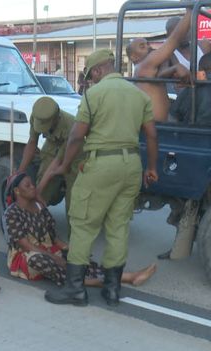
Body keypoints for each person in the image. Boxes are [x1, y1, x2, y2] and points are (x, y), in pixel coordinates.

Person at [44, 49, 159, 307]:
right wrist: (151, 167)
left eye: (91, 76)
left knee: (83, 223)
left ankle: (75, 290)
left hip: (101, 163)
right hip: (131, 164)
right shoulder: (139, 96)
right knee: (118, 227)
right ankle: (112, 290)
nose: (90, 81)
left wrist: (63, 164)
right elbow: (152, 135)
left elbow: (75, 136)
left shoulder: (93, 95)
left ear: (97, 71)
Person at [4, 173, 157, 287]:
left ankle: (128, 276)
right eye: (28, 186)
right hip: (26, 257)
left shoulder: (39, 206)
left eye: (32, 184)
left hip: (48, 249)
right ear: (17, 191)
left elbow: (53, 237)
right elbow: (25, 245)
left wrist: (70, 248)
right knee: (39, 259)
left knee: (77, 256)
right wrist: (55, 256)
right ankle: (91, 282)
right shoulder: (12, 213)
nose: (33, 187)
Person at [18, 96, 83, 222]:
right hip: (53, 144)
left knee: (74, 197)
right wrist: (19, 173)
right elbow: (32, 142)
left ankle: (74, 237)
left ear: (56, 119)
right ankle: (35, 224)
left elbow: (57, 162)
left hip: (75, 151)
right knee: (41, 190)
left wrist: (38, 189)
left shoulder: (70, 125)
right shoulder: (37, 116)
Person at [126, 8, 192, 122]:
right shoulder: (143, 66)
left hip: (161, 125)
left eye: (147, 44)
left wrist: (174, 68)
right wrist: (190, 11)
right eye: (142, 46)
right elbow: (174, 40)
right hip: (155, 127)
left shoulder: (150, 69)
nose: (148, 47)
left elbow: (162, 75)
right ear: (134, 57)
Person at [170, 53, 211, 125]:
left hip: (186, 132)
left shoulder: (189, 85)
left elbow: (172, 117)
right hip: (210, 133)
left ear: (200, 69)